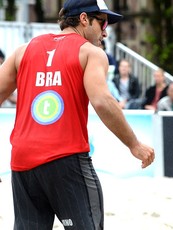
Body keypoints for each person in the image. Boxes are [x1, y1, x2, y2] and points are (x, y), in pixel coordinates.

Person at [0, 0, 155, 229]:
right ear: (84, 19)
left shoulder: (23, 50)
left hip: (23, 161)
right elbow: (102, 101)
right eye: (102, 22)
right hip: (66, 157)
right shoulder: (91, 53)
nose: (105, 30)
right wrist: (134, 144)